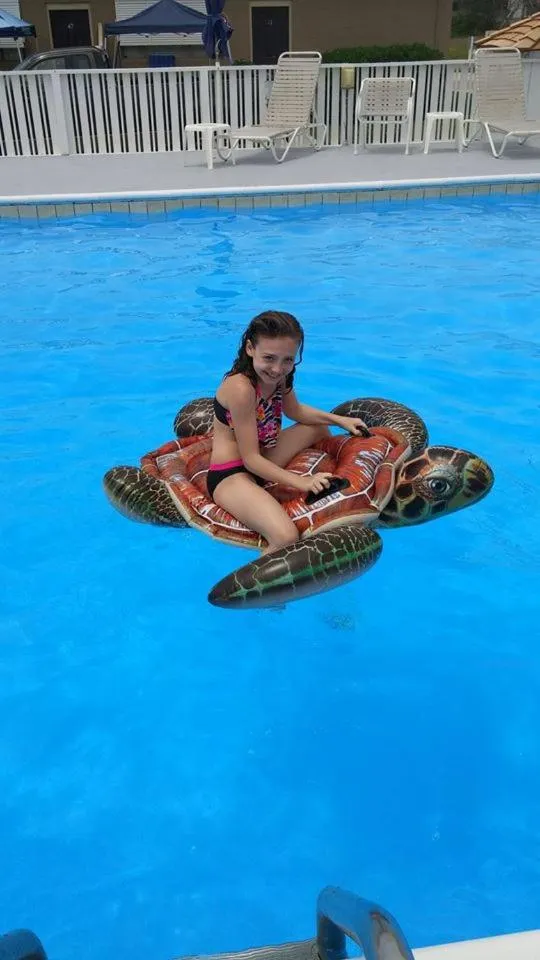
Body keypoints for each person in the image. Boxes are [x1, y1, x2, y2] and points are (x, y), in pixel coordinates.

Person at [209, 310, 368, 553]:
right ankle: (251, 587)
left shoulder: (280, 378)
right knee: (285, 537)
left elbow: (296, 412)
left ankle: (338, 500)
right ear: (250, 348)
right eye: (269, 358)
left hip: (266, 455)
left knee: (317, 427)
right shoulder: (241, 389)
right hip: (232, 474)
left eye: (288, 360)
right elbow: (251, 460)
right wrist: (302, 482)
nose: (277, 369)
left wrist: (341, 420)